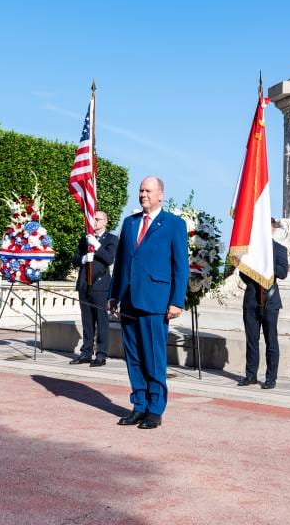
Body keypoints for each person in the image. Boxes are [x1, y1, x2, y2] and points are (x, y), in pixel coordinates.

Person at [108, 176, 188, 430]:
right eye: (141, 190)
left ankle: (155, 409)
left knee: (153, 356)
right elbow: (121, 264)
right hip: (130, 300)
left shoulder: (174, 224)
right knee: (133, 357)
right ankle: (139, 405)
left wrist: (176, 301)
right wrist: (114, 295)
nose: (143, 195)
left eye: (148, 191)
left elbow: (180, 266)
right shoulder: (129, 223)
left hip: (156, 301)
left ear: (161, 194)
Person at [237, 221, 290, 390]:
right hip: (251, 300)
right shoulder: (251, 251)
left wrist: (268, 263)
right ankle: (250, 375)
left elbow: (283, 273)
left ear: (272, 230)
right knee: (252, 340)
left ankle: (270, 378)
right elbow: (243, 276)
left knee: (271, 340)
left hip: (271, 301)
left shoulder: (280, 249)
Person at [70, 211, 117, 367]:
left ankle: (101, 354)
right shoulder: (85, 239)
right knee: (87, 321)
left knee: (101, 321)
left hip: (100, 285)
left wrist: (97, 246)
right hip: (84, 284)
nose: (95, 222)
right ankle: (86, 353)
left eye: (98, 219)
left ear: (105, 221)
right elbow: (75, 259)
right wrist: (83, 258)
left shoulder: (111, 239)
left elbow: (109, 259)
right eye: (93, 219)